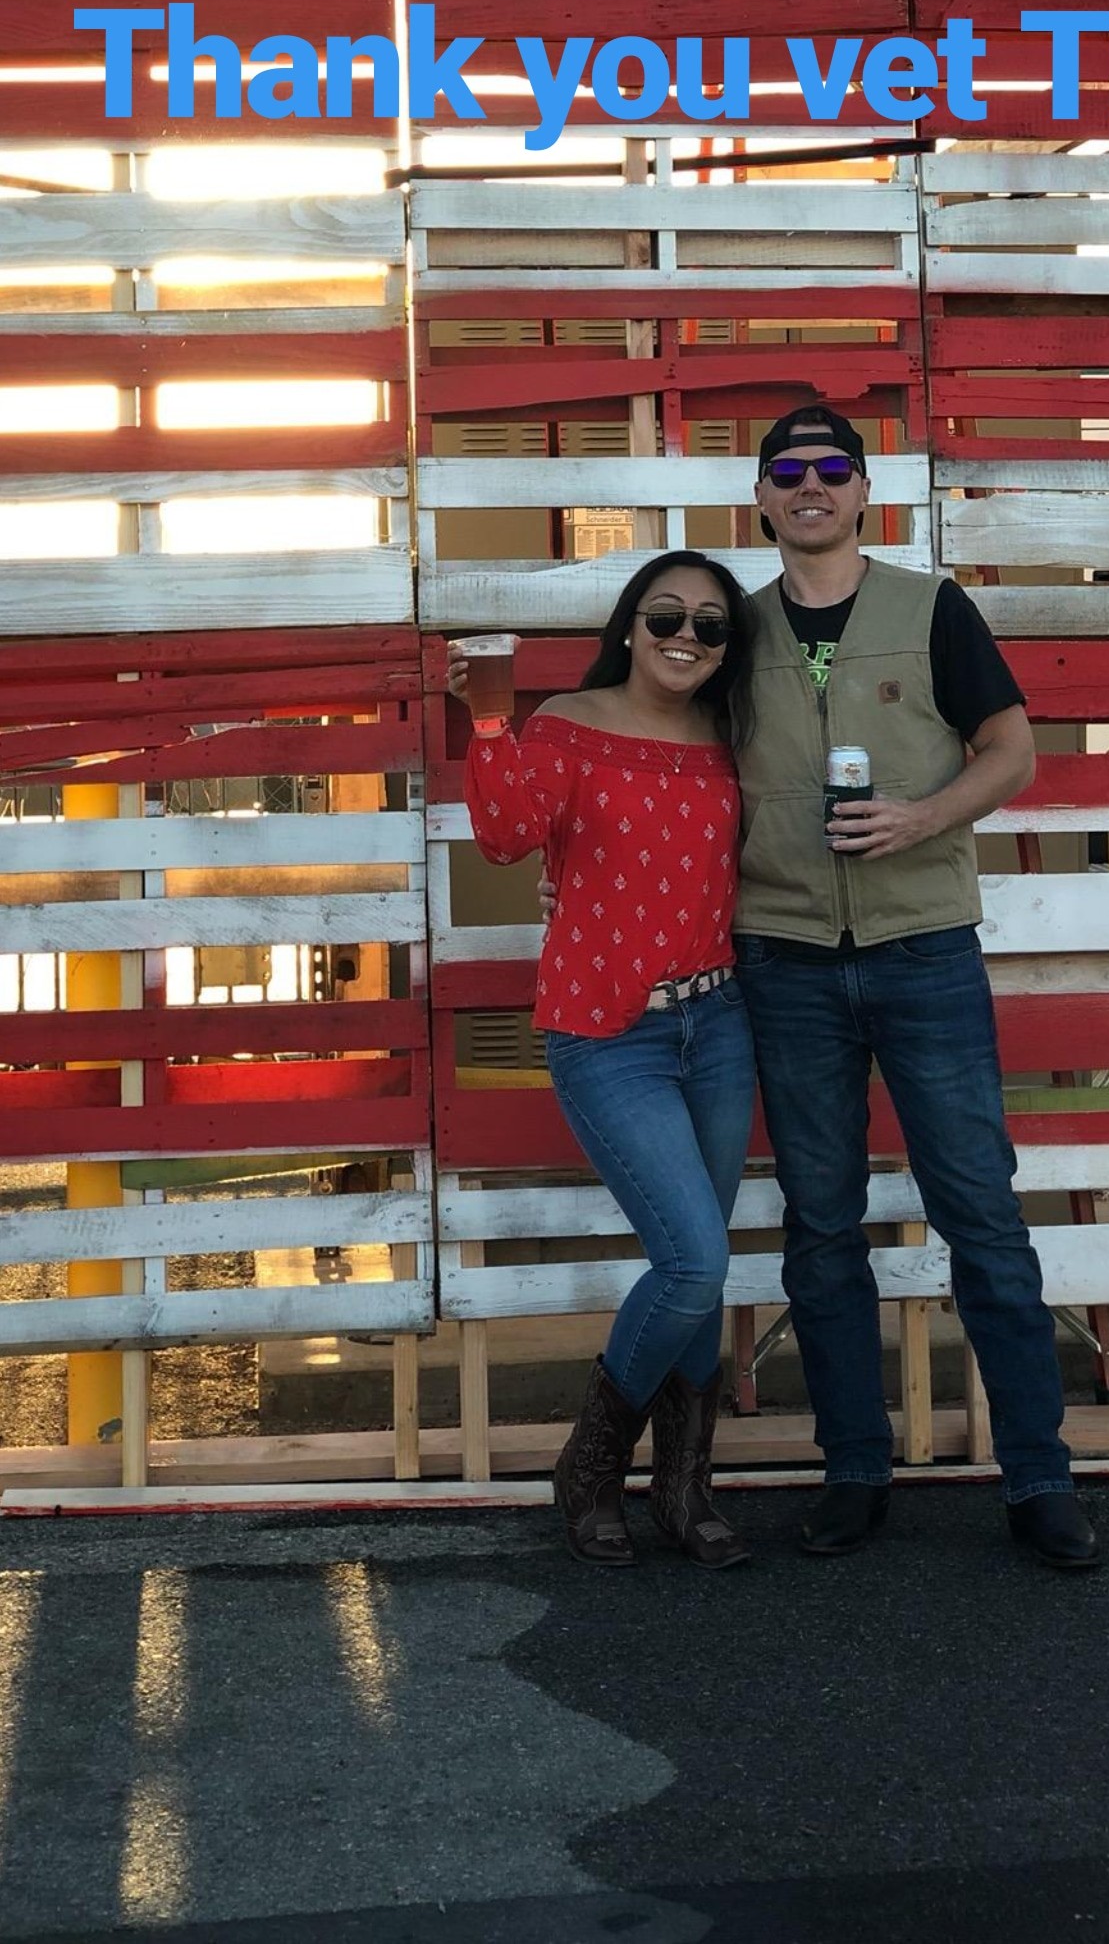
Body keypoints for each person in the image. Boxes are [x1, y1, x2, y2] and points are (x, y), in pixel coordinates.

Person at [731, 405, 1099, 1571]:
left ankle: (1038, 1477)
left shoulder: (931, 607)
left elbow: (1012, 749)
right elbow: (667, 768)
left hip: (923, 949)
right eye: (788, 469)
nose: (811, 484)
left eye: (831, 466)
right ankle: (854, 1468)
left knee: (980, 1212)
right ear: (762, 496)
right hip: (785, 954)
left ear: (863, 489)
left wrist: (926, 816)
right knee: (821, 1224)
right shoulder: (733, 630)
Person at [449, 551, 758, 1572]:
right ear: (630, 623)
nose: (686, 636)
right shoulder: (566, 724)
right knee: (695, 1258)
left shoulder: (733, 736)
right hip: (606, 1028)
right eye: (666, 615)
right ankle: (590, 1466)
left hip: (720, 1023)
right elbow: (505, 837)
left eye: (710, 624)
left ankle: (684, 1487)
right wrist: (488, 719)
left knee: (701, 1268)